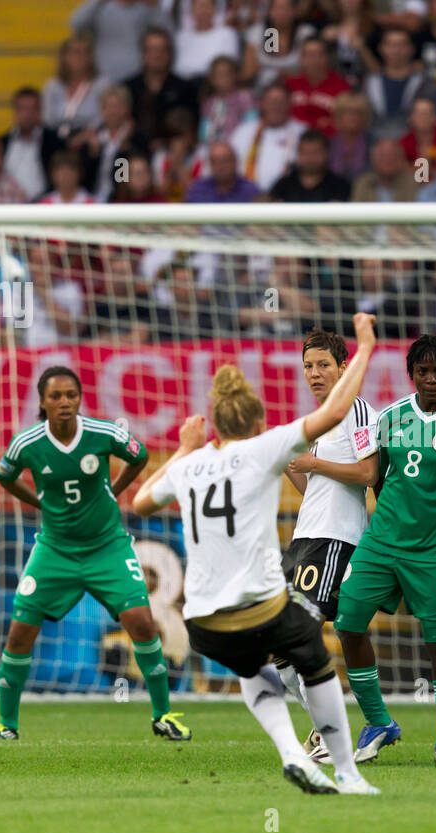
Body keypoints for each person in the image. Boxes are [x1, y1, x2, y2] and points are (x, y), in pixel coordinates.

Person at [133, 314, 382, 795]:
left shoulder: (193, 463)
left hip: (202, 619)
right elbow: (331, 415)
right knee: (312, 659)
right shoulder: (266, 447)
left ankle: (294, 752)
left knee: (256, 666)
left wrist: (185, 448)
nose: (312, 372)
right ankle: (347, 771)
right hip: (260, 602)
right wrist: (366, 347)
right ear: (256, 423)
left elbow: (141, 503)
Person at [0, 367, 190, 743]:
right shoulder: (27, 443)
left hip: (106, 547)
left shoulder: (102, 433)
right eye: (55, 397)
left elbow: (140, 455)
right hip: (55, 551)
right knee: (19, 633)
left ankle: (163, 715)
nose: (64, 403)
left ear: (79, 399)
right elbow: (3, 474)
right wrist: (36, 500)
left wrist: (114, 489)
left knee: (142, 622)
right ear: (42, 402)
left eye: (70, 395)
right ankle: (6, 724)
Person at [332, 334, 436, 766]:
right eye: (423, 371)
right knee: (347, 622)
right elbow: (379, 479)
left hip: (434, 553)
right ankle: (379, 721)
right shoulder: (389, 419)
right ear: (412, 375)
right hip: (381, 542)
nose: (432, 378)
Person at [278, 329, 381, 764]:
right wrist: (289, 465)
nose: (314, 373)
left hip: (335, 539)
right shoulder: (322, 417)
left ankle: (330, 734)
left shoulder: (355, 409)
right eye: (308, 366)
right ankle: (327, 729)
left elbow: (367, 474)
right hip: (307, 536)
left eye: (323, 365)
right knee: (280, 647)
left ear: (343, 367)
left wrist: (312, 461)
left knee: (295, 635)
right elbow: (316, 486)